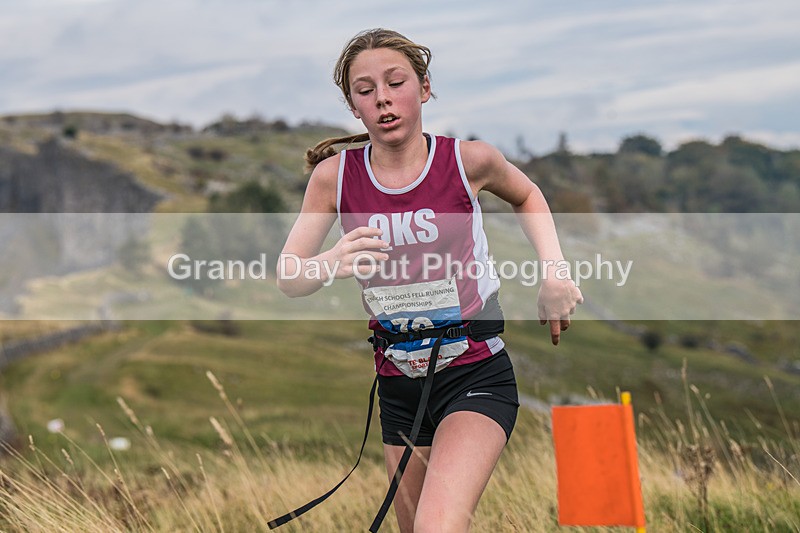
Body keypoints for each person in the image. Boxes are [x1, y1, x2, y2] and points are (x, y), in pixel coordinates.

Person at [275, 28, 583, 533]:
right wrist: (331, 261)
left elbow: (528, 196)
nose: (383, 98)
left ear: (424, 88)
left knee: (436, 528)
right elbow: (290, 276)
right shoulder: (335, 178)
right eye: (365, 89)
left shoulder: (468, 161)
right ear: (353, 106)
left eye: (395, 82)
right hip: (398, 383)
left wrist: (554, 272)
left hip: (474, 372)